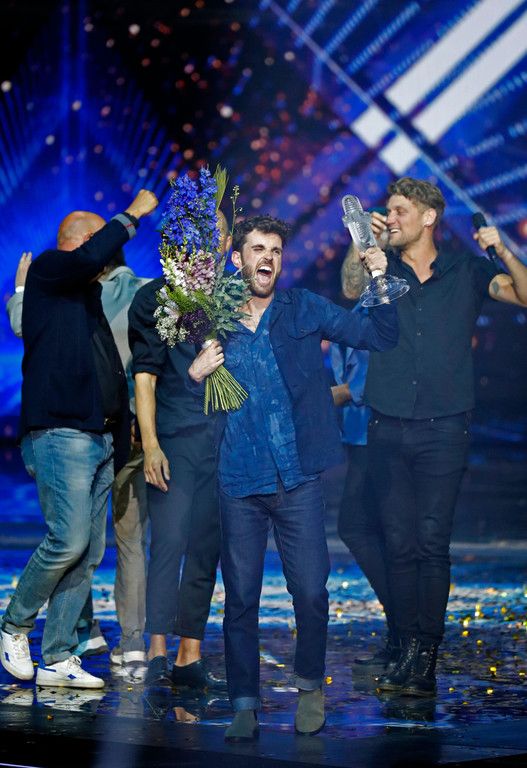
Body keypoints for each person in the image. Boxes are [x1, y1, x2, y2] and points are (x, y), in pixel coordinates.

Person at [187, 214, 398, 741]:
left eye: (276, 250)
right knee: (241, 599)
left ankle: (309, 688)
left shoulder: (302, 307)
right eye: (258, 248)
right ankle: (244, 702)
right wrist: (194, 377)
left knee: (310, 592)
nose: (268, 258)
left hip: (298, 476)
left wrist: (380, 278)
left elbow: (380, 335)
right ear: (237, 258)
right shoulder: (211, 318)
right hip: (239, 480)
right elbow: (186, 395)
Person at [347, 177, 527, 697]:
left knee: (431, 544)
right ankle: (406, 647)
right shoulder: (381, 267)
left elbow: (523, 294)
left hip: (445, 428)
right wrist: (364, 245)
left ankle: (425, 656)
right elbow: (352, 290)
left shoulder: (466, 271)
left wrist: (502, 249)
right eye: (389, 209)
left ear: (429, 217)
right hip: (387, 424)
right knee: (399, 545)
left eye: (400, 210)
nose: (391, 217)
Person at [0, 189, 158, 689]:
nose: (106, 255)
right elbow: (87, 260)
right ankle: (14, 623)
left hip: (101, 437)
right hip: (60, 433)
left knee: (87, 553)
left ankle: (60, 655)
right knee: (67, 540)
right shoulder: (49, 271)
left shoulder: (85, 298)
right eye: (98, 242)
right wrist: (131, 215)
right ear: (81, 242)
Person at [128, 213, 231, 690]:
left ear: (227, 242)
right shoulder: (155, 298)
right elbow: (144, 377)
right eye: (199, 232)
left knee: (207, 547)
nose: (207, 241)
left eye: (216, 233)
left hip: (224, 442)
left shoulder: (233, 298)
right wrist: (150, 444)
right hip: (174, 439)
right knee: (168, 541)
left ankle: (190, 652)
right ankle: (157, 649)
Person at [330, 298, 396, 671]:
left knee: (358, 527)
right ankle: (400, 632)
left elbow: (365, 381)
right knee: (372, 531)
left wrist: (322, 397)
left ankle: (404, 628)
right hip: (359, 437)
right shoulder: (352, 314)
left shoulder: (374, 310)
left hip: (376, 435)